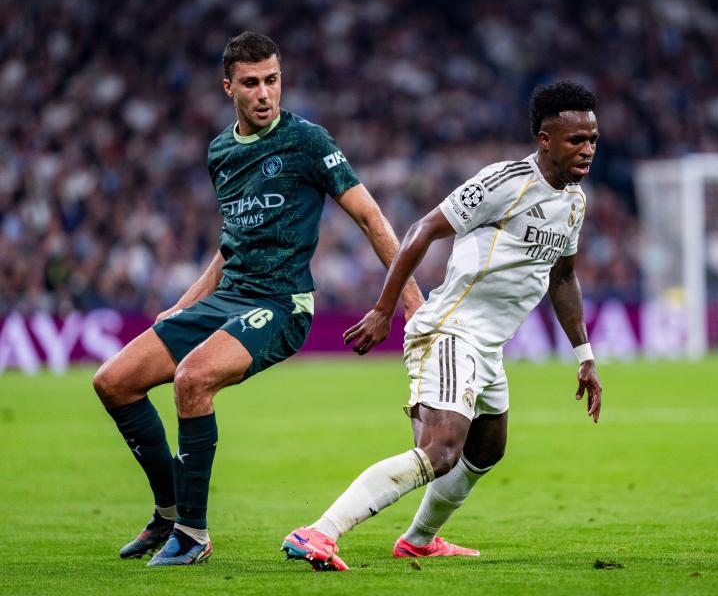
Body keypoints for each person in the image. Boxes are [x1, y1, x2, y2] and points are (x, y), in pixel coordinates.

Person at [91, 31, 423, 566]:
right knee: (113, 382)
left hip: (282, 302)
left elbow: (370, 217)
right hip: (228, 297)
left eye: (272, 80)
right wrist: (184, 304)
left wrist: (408, 300)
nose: (264, 93)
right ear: (229, 88)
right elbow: (231, 245)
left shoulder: (307, 141)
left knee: (192, 379)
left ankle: (192, 535)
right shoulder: (220, 152)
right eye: (251, 83)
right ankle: (169, 512)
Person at [281, 80, 603, 571]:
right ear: (545, 139)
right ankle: (319, 532)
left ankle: (419, 539)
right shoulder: (505, 182)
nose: (587, 149)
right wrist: (384, 308)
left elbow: (563, 277)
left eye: (593, 139)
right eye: (576, 139)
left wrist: (585, 356)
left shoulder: (574, 202)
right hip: (452, 331)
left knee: (488, 450)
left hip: (488, 346)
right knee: (441, 450)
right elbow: (423, 229)